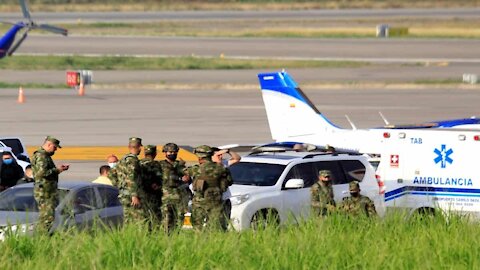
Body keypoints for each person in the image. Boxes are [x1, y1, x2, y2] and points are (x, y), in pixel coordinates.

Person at [186, 145, 232, 231]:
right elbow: (229, 182)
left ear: (200, 157)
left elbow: (184, 176)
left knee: (197, 226)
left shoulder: (196, 169)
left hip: (200, 201)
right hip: (216, 201)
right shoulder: (221, 168)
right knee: (215, 226)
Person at [31, 136, 69, 233]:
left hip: (46, 191)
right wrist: (58, 170)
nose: (55, 150)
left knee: (46, 216)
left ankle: (42, 235)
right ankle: (42, 236)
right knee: (47, 217)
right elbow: (42, 173)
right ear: (49, 145)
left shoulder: (43, 155)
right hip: (45, 192)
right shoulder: (42, 156)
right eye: (54, 147)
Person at [108, 137, 145, 224]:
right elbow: (131, 177)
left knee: (127, 219)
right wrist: (134, 195)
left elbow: (111, 173)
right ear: (139, 147)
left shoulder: (123, 159)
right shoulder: (133, 160)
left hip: (124, 194)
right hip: (131, 196)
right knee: (140, 221)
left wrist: (118, 185)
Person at [159, 143, 189, 233]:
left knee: (179, 219)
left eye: (174, 152)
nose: (172, 154)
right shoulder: (160, 165)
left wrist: (186, 177)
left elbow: (187, 176)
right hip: (164, 196)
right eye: (170, 152)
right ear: (165, 153)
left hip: (178, 196)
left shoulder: (179, 165)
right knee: (166, 220)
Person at [139, 145, 163, 225]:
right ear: (155, 153)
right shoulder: (156, 164)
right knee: (155, 216)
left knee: (144, 216)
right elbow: (160, 177)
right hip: (153, 194)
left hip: (141, 193)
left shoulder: (139, 163)